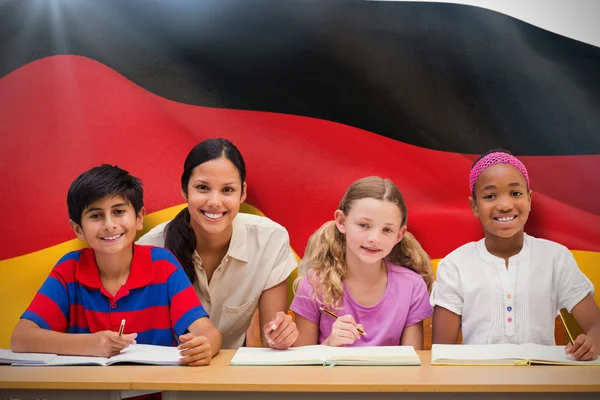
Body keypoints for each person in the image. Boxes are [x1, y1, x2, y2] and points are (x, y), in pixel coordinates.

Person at [11, 165, 222, 366]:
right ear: (78, 229)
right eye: (96, 216)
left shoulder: (163, 265)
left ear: (139, 218)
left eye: (119, 211)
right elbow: (21, 338)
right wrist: (90, 344)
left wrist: (205, 346)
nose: (109, 225)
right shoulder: (69, 270)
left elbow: (207, 331)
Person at [430, 149, 600, 361]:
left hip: (544, 384)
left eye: (516, 193)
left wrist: (593, 341)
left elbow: (596, 326)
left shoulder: (555, 258)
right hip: (476, 386)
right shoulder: (455, 265)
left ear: (529, 200)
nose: (504, 205)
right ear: (474, 206)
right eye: (490, 196)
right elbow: (441, 353)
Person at [137, 138, 298, 349]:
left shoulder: (269, 240)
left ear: (243, 192)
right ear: (184, 190)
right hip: (163, 374)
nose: (214, 201)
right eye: (203, 188)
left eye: (227, 190)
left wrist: (280, 335)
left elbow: (271, 339)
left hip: (229, 376)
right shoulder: (151, 248)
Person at [290, 176, 433, 347]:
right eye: (364, 225)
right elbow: (302, 366)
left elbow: (413, 361)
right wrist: (329, 345)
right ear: (342, 222)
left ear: (399, 235)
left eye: (387, 230)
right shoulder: (314, 284)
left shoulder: (412, 286)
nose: (374, 238)